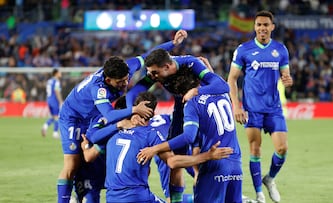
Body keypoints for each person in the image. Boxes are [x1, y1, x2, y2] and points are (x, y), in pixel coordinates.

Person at [57, 30, 188, 203]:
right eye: (120, 82)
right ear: (108, 79)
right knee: (72, 163)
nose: (125, 84)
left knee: (101, 150)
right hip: (74, 117)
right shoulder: (99, 88)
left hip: (94, 114)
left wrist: (173, 43)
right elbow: (110, 115)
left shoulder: (128, 66)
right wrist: (133, 110)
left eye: (126, 79)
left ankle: (88, 191)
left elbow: (149, 55)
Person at [137, 68, 243, 203]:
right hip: (235, 163)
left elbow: (188, 137)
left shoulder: (192, 103)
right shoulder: (222, 92)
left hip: (214, 162)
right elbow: (216, 80)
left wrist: (155, 149)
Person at [105, 92, 233, 203]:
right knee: (190, 175)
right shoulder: (149, 133)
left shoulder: (111, 134)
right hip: (137, 196)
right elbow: (173, 162)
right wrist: (209, 156)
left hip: (111, 197)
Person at [227, 10, 293, 203]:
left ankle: (270, 178)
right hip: (252, 109)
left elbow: (285, 75)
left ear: (272, 27)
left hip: (273, 108)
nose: (262, 28)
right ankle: (259, 194)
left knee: (282, 148)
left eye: (266, 25)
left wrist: (287, 79)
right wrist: (236, 107)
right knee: (255, 150)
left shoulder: (280, 50)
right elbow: (231, 79)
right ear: (254, 27)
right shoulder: (243, 50)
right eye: (259, 25)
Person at [42, 69, 63, 138]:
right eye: (59, 72)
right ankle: (55, 133)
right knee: (57, 117)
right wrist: (60, 101)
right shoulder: (56, 81)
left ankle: (45, 126)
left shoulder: (49, 81)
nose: (61, 73)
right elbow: (57, 91)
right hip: (54, 100)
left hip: (48, 99)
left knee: (53, 116)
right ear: (56, 73)